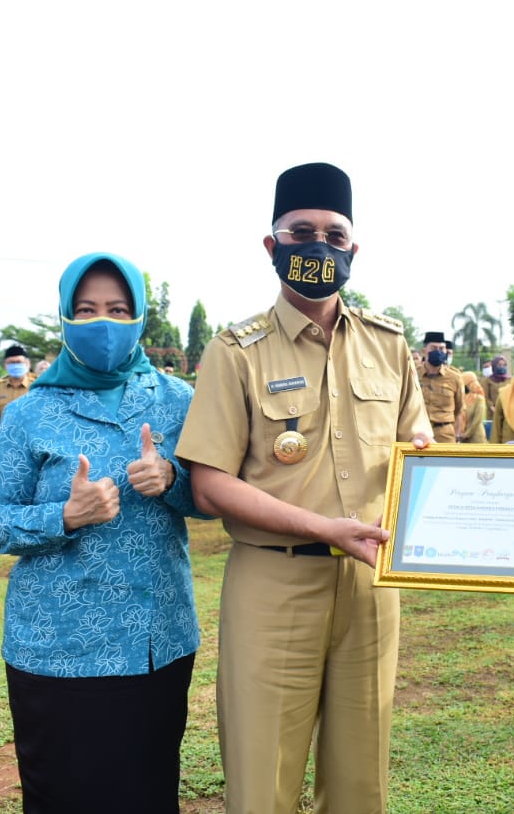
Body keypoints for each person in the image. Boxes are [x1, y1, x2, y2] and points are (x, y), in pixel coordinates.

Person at [175, 162, 432, 814]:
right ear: (273, 245)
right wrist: (323, 528)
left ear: (352, 248)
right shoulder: (237, 351)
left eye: (333, 233)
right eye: (300, 231)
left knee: (360, 778)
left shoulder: (387, 343)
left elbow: (417, 453)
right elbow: (209, 485)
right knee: (264, 777)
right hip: (275, 582)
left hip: (372, 586)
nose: (317, 244)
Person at [0, 253, 200, 813]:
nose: (104, 322)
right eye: (88, 309)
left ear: (140, 317)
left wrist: (172, 478)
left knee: (147, 792)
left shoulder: (178, 401)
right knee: (64, 794)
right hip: (58, 648)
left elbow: (215, 497)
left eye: (119, 309)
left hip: (156, 643)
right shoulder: (30, 412)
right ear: (65, 317)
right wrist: (64, 516)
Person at [420, 330, 464, 443]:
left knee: (446, 461)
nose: (438, 352)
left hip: (444, 434)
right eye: (434, 348)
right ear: (424, 351)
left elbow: (458, 410)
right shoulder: (412, 375)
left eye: (442, 348)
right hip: (418, 432)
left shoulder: (455, 378)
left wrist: (457, 435)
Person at [0, 344, 35, 444]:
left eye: (18, 362)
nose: (15, 365)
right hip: (5, 442)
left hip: (32, 441)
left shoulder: (37, 387)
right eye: (11, 362)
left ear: (27, 364)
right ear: (5, 365)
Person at [461, 370, 489, 443]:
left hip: (476, 437)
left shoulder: (479, 399)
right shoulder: (463, 399)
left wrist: (467, 434)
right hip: (463, 439)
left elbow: (477, 419)